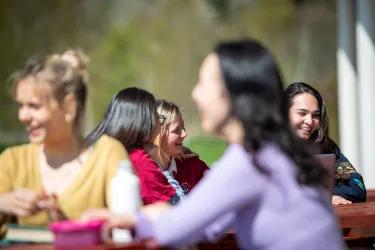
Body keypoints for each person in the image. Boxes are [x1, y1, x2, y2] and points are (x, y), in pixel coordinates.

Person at [82, 39, 344, 249]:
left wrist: (122, 220)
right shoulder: (274, 150)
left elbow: (173, 231)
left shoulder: (250, 160)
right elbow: (210, 224)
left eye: (203, 82)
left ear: (231, 95)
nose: (195, 93)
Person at [0, 50, 129, 236]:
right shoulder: (12, 161)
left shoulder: (107, 154)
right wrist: (3, 205)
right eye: (21, 105)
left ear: (69, 106)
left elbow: (129, 232)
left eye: (34, 106)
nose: (23, 116)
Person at [87, 88, 182, 205]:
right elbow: (173, 207)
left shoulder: (92, 148)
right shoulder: (139, 159)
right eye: (157, 117)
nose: (159, 122)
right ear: (145, 121)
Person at [285, 82, 366, 205]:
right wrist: (322, 195)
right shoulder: (268, 147)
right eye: (302, 113)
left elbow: (357, 188)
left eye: (315, 115)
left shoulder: (326, 146)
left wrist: (327, 195)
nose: (310, 121)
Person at [154, 99, 209, 194]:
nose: (184, 134)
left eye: (183, 127)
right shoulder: (140, 172)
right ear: (157, 134)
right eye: (176, 130)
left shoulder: (193, 166)